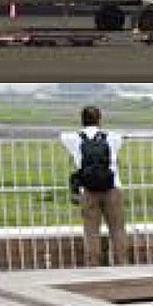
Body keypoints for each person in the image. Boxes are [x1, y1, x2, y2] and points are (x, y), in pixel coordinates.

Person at [60, 105, 129, 267]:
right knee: (117, 229)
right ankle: (122, 263)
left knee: (91, 231)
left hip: (88, 190)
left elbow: (61, 135)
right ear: (100, 119)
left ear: (82, 119)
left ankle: (93, 265)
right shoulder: (113, 137)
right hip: (112, 188)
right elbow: (122, 137)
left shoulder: (72, 138)